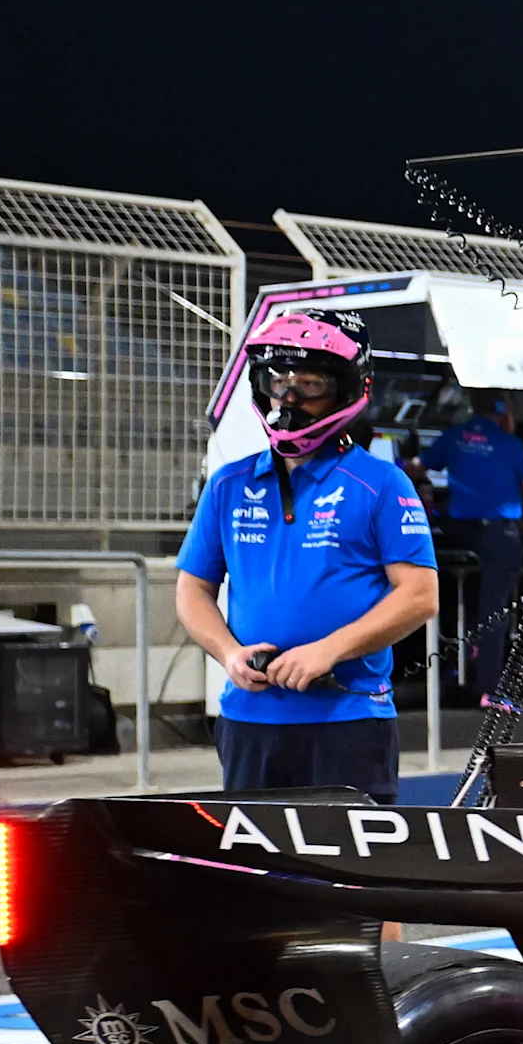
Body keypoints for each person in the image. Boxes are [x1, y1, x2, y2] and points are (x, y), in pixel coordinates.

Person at [173, 308, 439, 802]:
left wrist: (328, 651)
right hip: (248, 721)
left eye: (310, 384)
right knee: (255, 869)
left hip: (351, 721)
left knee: (356, 868)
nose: (288, 398)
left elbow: (420, 596)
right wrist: (229, 654)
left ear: (344, 389)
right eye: (278, 382)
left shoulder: (381, 482)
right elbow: (193, 588)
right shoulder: (227, 484)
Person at [431, 390, 523, 698]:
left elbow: (419, 465)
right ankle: (489, 689)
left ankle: (451, 665)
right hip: (497, 535)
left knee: (456, 597)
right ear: (501, 407)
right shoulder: (510, 442)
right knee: (495, 608)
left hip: (456, 534)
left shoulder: (454, 435)